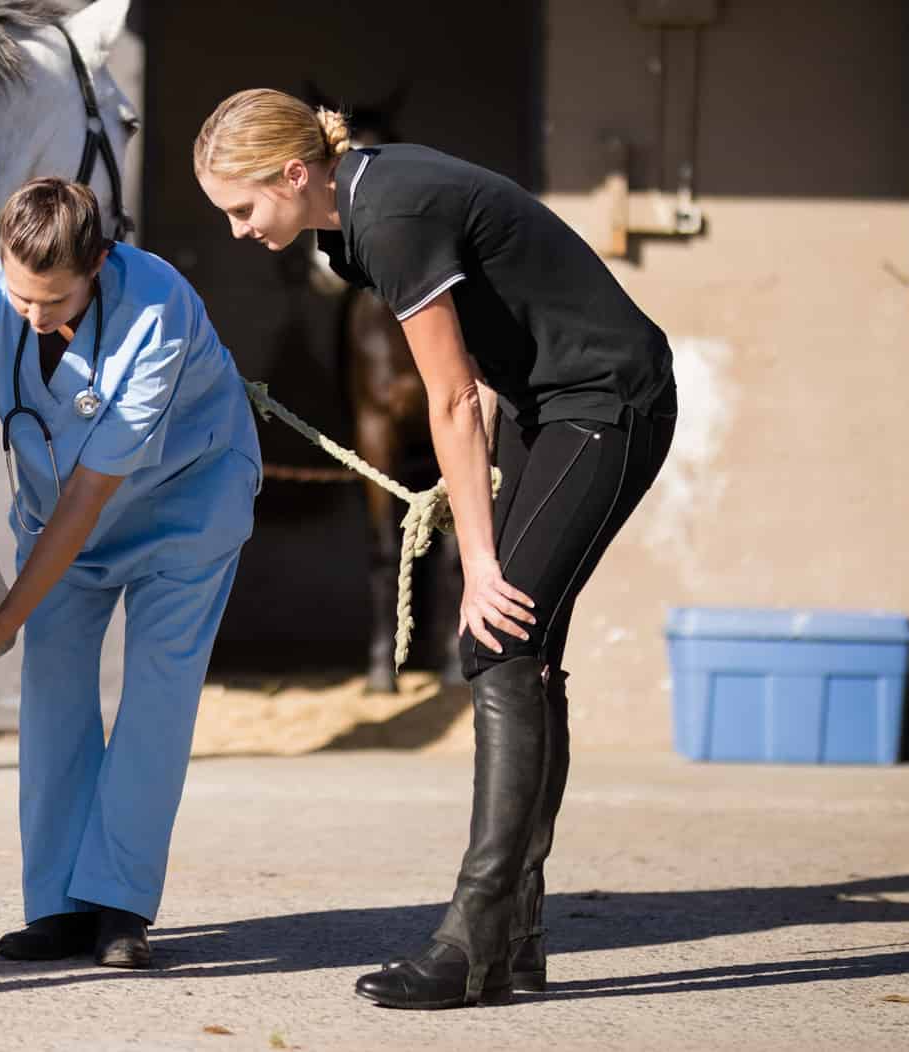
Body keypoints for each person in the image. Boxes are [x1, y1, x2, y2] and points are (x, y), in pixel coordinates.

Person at [193, 89, 677, 1008]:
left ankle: (472, 939)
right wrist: (488, 516)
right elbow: (486, 360)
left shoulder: (391, 211)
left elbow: (449, 399)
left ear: (295, 175)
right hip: (544, 402)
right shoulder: (352, 219)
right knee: (523, 652)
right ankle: (515, 940)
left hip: (608, 401)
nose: (238, 231)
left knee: (497, 639)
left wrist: (479, 564)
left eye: (243, 208)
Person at [0, 178, 261, 969]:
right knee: (53, 691)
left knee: (157, 697)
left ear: (100, 261)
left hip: (185, 510)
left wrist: (2, 627)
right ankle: (54, 907)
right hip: (61, 519)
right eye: (22, 297)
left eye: (53, 304)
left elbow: (91, 493)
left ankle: (118, 905)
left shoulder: (157, 309)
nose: (33, 316)